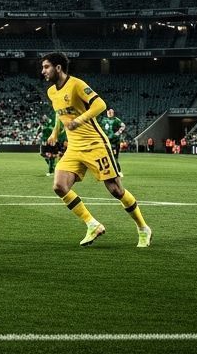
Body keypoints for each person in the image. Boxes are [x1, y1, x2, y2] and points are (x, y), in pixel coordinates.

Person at [40, 52, 152, 248]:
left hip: (95, 145)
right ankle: (92, 224)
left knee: (116, 190)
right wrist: (56, 133)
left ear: (58, 68)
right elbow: (59, 112)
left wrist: (79, 120)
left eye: (46, 67)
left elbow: (100, 104)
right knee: (59, 186)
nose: (43, 71)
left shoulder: (76, 84)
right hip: (74, 147)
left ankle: (143, 228)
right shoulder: (52, 92)